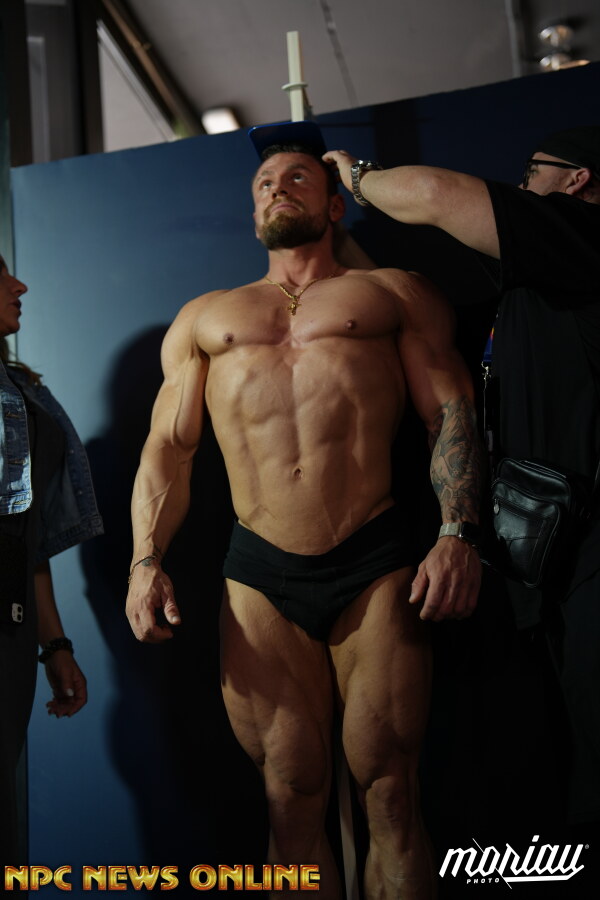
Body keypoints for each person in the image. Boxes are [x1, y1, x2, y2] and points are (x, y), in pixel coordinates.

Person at [126, 133, 482, 898]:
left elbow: (450, 414)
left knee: (391, 792)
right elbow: (169, 451)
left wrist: (457, 533)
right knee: (290, 795)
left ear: (334, 204)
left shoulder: (393, 295)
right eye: (264, 183)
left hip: (374, 560)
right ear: (252, 210)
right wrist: (145, 561)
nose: (277, 190)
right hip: (260, 572)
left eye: (296, 178)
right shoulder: (206, 319)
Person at [324, 126, 600, 835]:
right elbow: (401, 303)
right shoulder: (536, 289)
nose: (521, 183)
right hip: (553, 564)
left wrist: (353, 178)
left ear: (576, 180)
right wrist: (335, 240)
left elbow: (433, 193)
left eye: (533, 170)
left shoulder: (581, 234)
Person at [0, 254, 103, 861]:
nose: (20, 285)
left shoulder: (25, 391)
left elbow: (27, 536)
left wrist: (55, 645)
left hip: (12, 628)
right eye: (0, 275)